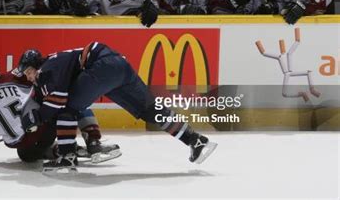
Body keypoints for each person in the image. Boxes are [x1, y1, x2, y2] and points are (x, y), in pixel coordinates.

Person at [18, 42, 217, 172]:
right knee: (149, 110)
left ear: (37, 64)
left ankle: (68, 156)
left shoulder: (47, 69)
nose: (28, 77)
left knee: (68, 108)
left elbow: (58, 101)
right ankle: (195, 140)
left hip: (101, 66)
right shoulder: (55, 63)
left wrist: (38, 118)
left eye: (28, 71)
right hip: (119, 64)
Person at [0, 55, 121, 164]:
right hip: (44, 129)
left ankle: (61, 150)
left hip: (27, 146)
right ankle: (91, 141)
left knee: (25, 154)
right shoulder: (14, 76)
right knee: (73, 102)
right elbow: (36, 76)